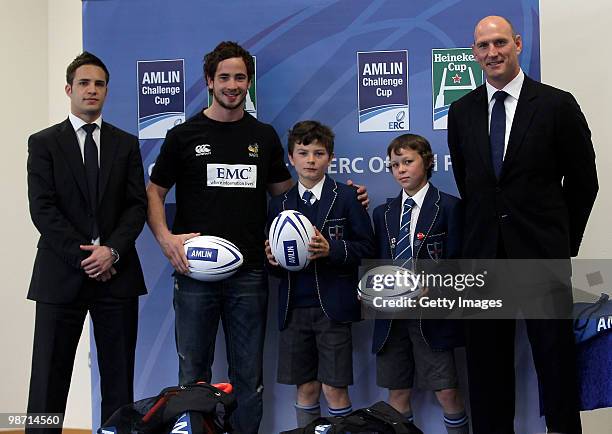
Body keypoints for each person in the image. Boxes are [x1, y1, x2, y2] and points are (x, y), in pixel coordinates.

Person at [146, 41, 368, 433]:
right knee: (193, 375)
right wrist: (166, 238)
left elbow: (291, 197)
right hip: (194, 273)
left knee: (248, 378)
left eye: (240, 77)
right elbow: (154, 191)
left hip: (249, 274)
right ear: (210, 81)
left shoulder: (262, 136)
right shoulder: (183, 135)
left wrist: (345, 197)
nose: (233, 85)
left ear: (248, 83)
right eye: (225, 77)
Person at [447, 16, 598, 434]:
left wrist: (560, 241)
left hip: (541, 258)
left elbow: (585, 181)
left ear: (516, 44)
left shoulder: (555, 104)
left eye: (500, 43)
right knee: (487, 369)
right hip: (483, 261)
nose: (492, 53)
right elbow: (471, 183)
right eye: (483, 46)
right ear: (474, 53)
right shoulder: (461, 112)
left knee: (556, 364)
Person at [26, 52, 147, 431]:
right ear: (69, 89)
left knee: (119, 382)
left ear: (107, 91)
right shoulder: (44, 143)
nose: (91, 90)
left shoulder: (126, 144)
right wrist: (86, 257)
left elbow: (136, 206)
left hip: (117, 275)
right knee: (47, 382)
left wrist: (110, 252)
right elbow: (43, 210)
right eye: (84, 83)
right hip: (61, 276)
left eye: (99, 84)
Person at [265, 121, 375, 428]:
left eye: (319, 153)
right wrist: (272, 260)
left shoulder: (347, 197)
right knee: (307, 388)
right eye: (303, 153)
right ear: (291, 158)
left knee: (334, 388)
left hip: (333, 309)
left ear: (330, 158)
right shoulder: (279, 204)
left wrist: (333, 250)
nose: (311, 160)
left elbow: (367, 248)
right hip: (294, 309)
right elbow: (270, 264)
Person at [371, 134, 468, 434]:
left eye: (408, 161)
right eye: (394, 164)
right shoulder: (383, 213)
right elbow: (376, 264)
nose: (401, 169)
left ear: (426, 161)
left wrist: (433, 284)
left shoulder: (450, 207)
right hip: (392, 318)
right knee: (397, 395)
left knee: (447, 392)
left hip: (431, 316)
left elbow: (460, 263)